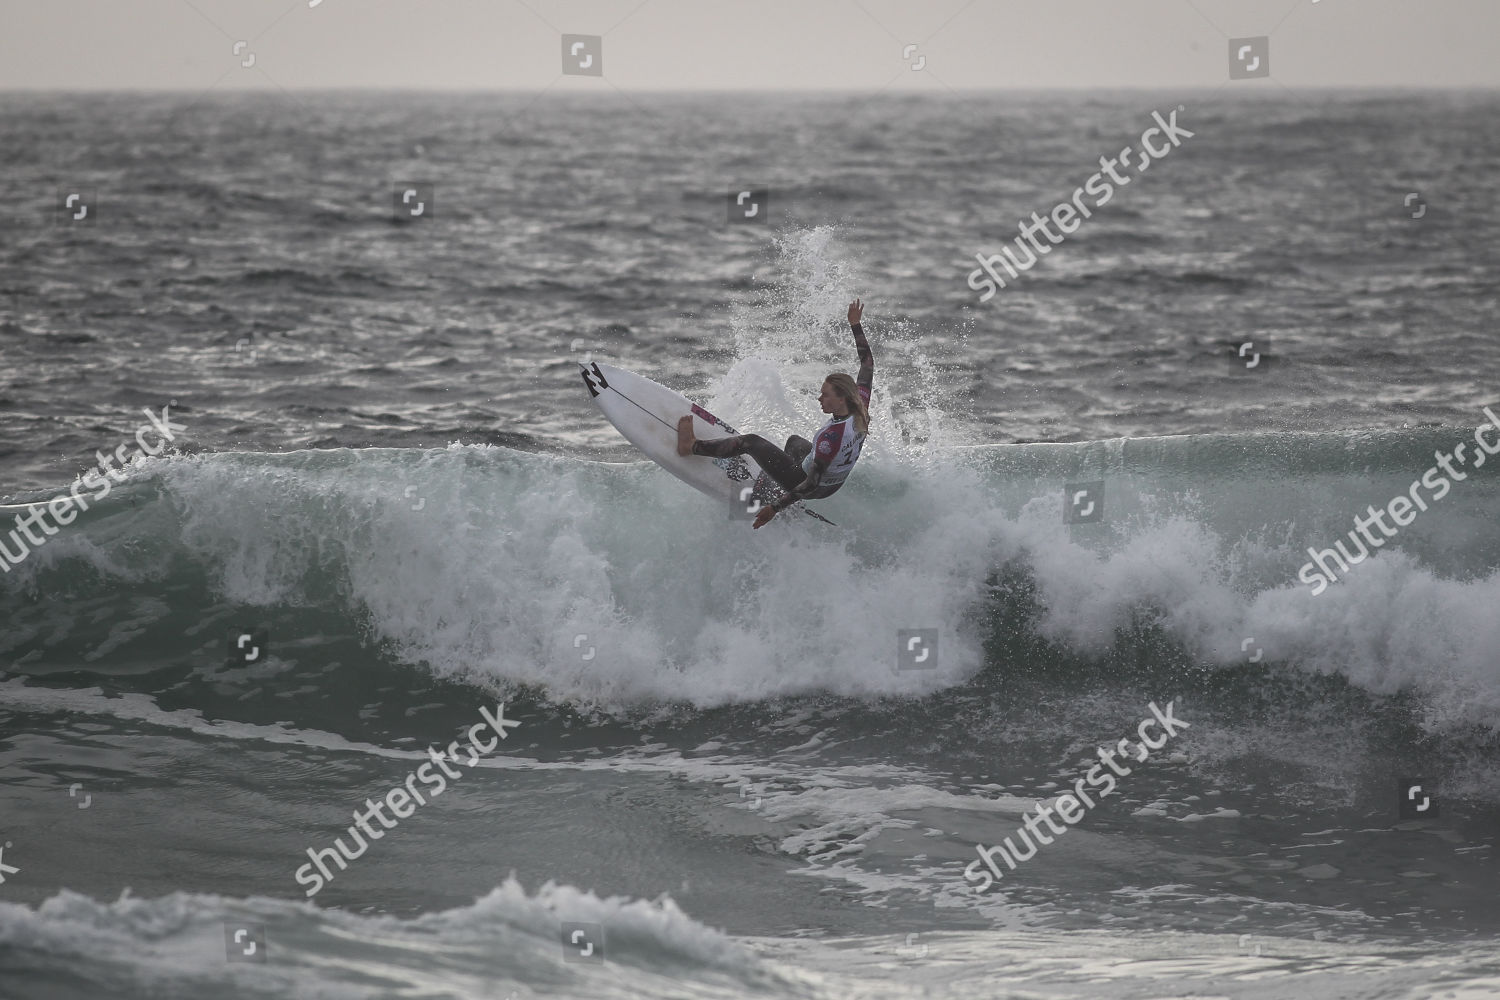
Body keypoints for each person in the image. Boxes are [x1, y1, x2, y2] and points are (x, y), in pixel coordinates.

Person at [677, 298, 873, 528]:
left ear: (841, 399)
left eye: (826, 395)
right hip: (834, 483)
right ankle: (775, 490)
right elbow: (867, 364)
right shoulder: (860, 403)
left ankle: (691, 447)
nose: (819, 398)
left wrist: (776, 507)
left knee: (750, 442)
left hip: (815, 486)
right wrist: (855, 324)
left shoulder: (830, 440)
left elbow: (811, 484)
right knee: (794, 443)